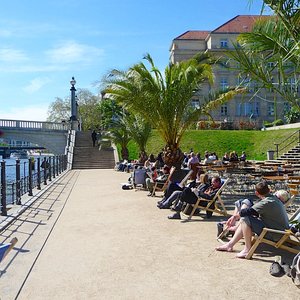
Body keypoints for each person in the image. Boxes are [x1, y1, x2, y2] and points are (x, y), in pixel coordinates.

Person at [216, 181, 289, 258]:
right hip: (280, 231)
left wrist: (234, 217)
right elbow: (254, 212)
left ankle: (247, 249)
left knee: (245, 218)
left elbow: (248, 212)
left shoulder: (267, 202)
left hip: (275, 234)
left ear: (257, 193)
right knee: (246, 219)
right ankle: (230, 245)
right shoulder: (272, 199)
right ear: (269, 190)